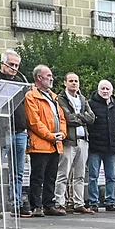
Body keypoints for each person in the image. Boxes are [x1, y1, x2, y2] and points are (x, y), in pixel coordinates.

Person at [22, 64, 65, 219]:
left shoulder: (53, 96)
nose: (51, 78)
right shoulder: (31, 96)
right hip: (40, 144)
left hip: (55, 143)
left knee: (51, 176)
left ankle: (49, 204)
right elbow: (34, 122)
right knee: (38, 176)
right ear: (39, 77)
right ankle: (36, 206)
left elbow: (61, 117)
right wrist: (50, 135)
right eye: (48, 76)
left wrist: (62, 134)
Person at [56, 71, 93, 214]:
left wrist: (79, 117)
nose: (74, 83)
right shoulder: (61, 98)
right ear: (65, 83)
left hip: (83, 140)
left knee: (80, 174)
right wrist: (82, 118)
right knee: (63, 173)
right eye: (71, 81)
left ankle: (79, 202)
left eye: (76, 81)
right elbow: (68, 117)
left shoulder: (82, 99)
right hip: (69, 140)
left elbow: (92, 117)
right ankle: (59, 202)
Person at [87, 79, 115, 211]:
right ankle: (93, 202)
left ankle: (110, 202)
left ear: (112, 91)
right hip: (95, 146)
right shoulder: (90, 104)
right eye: (103, 89)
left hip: (111, 146)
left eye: (108, 89)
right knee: (93, 176)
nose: (105, 91)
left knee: (112, 177)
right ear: (98, 90)